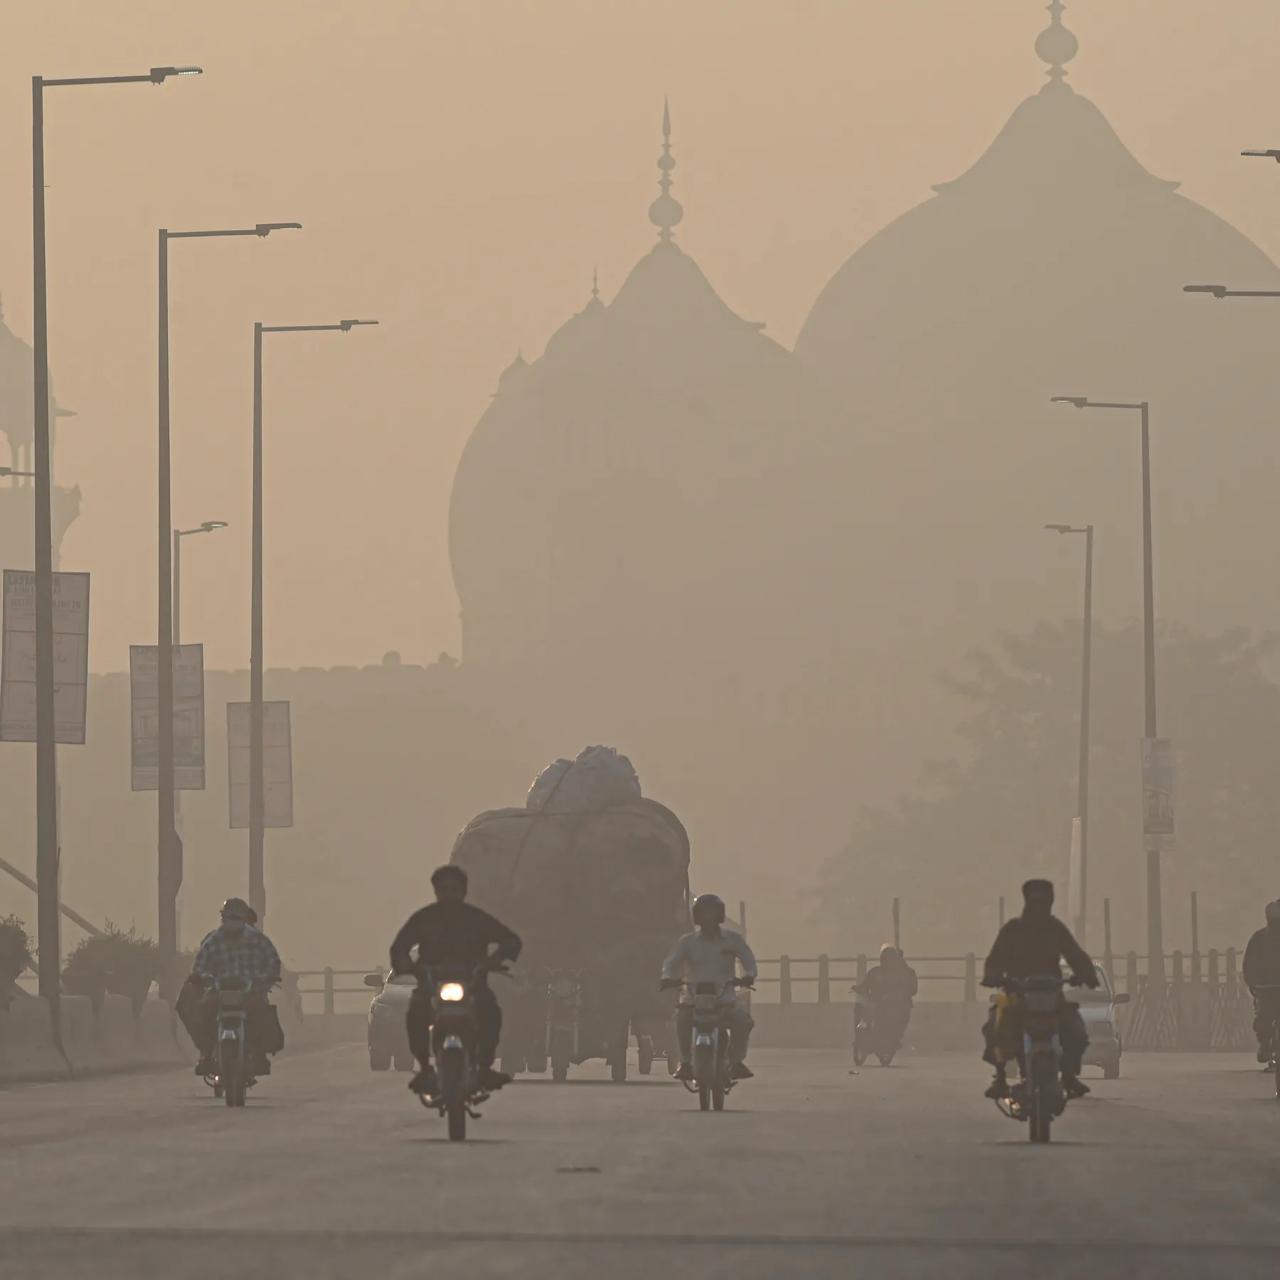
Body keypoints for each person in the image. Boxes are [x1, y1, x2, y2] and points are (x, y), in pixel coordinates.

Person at [390, 864, 523, 1096]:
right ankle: (424, 1068)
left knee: (491, 1012)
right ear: (436, 891)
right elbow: (399, 947)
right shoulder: (423, 919)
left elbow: (511, 940)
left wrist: (493, 961)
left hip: (472, 986)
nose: (449, 894)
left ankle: (484, 1067)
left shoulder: (477, 919)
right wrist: (407, 966)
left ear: (463, 891)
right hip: (431, 986)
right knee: (416, 1013)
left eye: (454, 889)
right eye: (444, 889)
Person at [980, 879, 1097, 1100]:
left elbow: (1075, 954)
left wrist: (1086, 974)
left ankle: (1069, 1075)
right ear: (1027, 902)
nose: (1040, 907)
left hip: (1051, 994)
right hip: (1018, 994)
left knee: (1076, 1031)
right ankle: (1001, 1076)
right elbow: (995, 959)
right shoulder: (1012, 930)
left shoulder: (1056, 929)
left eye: (1044, 902)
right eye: (1036, 902)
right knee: (996, 1026)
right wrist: (993, 976)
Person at [660, 893, 757, 1082]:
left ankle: (736, 1061)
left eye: (712, 913)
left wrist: (749, 975)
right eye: (704, 914)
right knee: (681, 1020)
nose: (708, 918)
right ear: (697, 916)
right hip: (693, 998)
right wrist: (668, 978)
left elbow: (748, 959)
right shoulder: (687, 942)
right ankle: (686, 1063)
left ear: (719, 915)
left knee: (742, 1022)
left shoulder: (732, 940)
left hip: (724, 998)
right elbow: (671, 963)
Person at [184, 897, 283, 1078]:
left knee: (261, 1013)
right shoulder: (213, 941)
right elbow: (199, 966)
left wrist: (266, 977)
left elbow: (273, 961)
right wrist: (201, 977)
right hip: (219, 991)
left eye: (237, 919)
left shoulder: (257, 940)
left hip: (250, 991)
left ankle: (259, 1055)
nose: (233, 923)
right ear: (223, 919)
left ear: (244, 919)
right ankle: (206, 1054)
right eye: (229, 918)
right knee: (203, 1012)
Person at [854, 944, 918, 1052]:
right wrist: (859, 989)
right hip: (878, 1002)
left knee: (901, 1017)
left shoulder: (904, 973)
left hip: (897, 1005)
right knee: (860, 1010)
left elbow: (912, 989)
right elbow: (865, 985)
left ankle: (892, 1038)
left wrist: (901, 994)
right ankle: (863, 1035)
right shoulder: (876, 972)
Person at [1242, 900, 1280, 1067]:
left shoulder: (1259, 937)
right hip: (1266, 988)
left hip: (1265, 989)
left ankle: (1265, 1043)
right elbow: (1249, 964)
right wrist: (1253, 984)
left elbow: (1248, 964)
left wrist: (1252, 984)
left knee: (1264, 1016)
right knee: (1264, 1018)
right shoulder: (1259, 938)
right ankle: (1265, 1043)